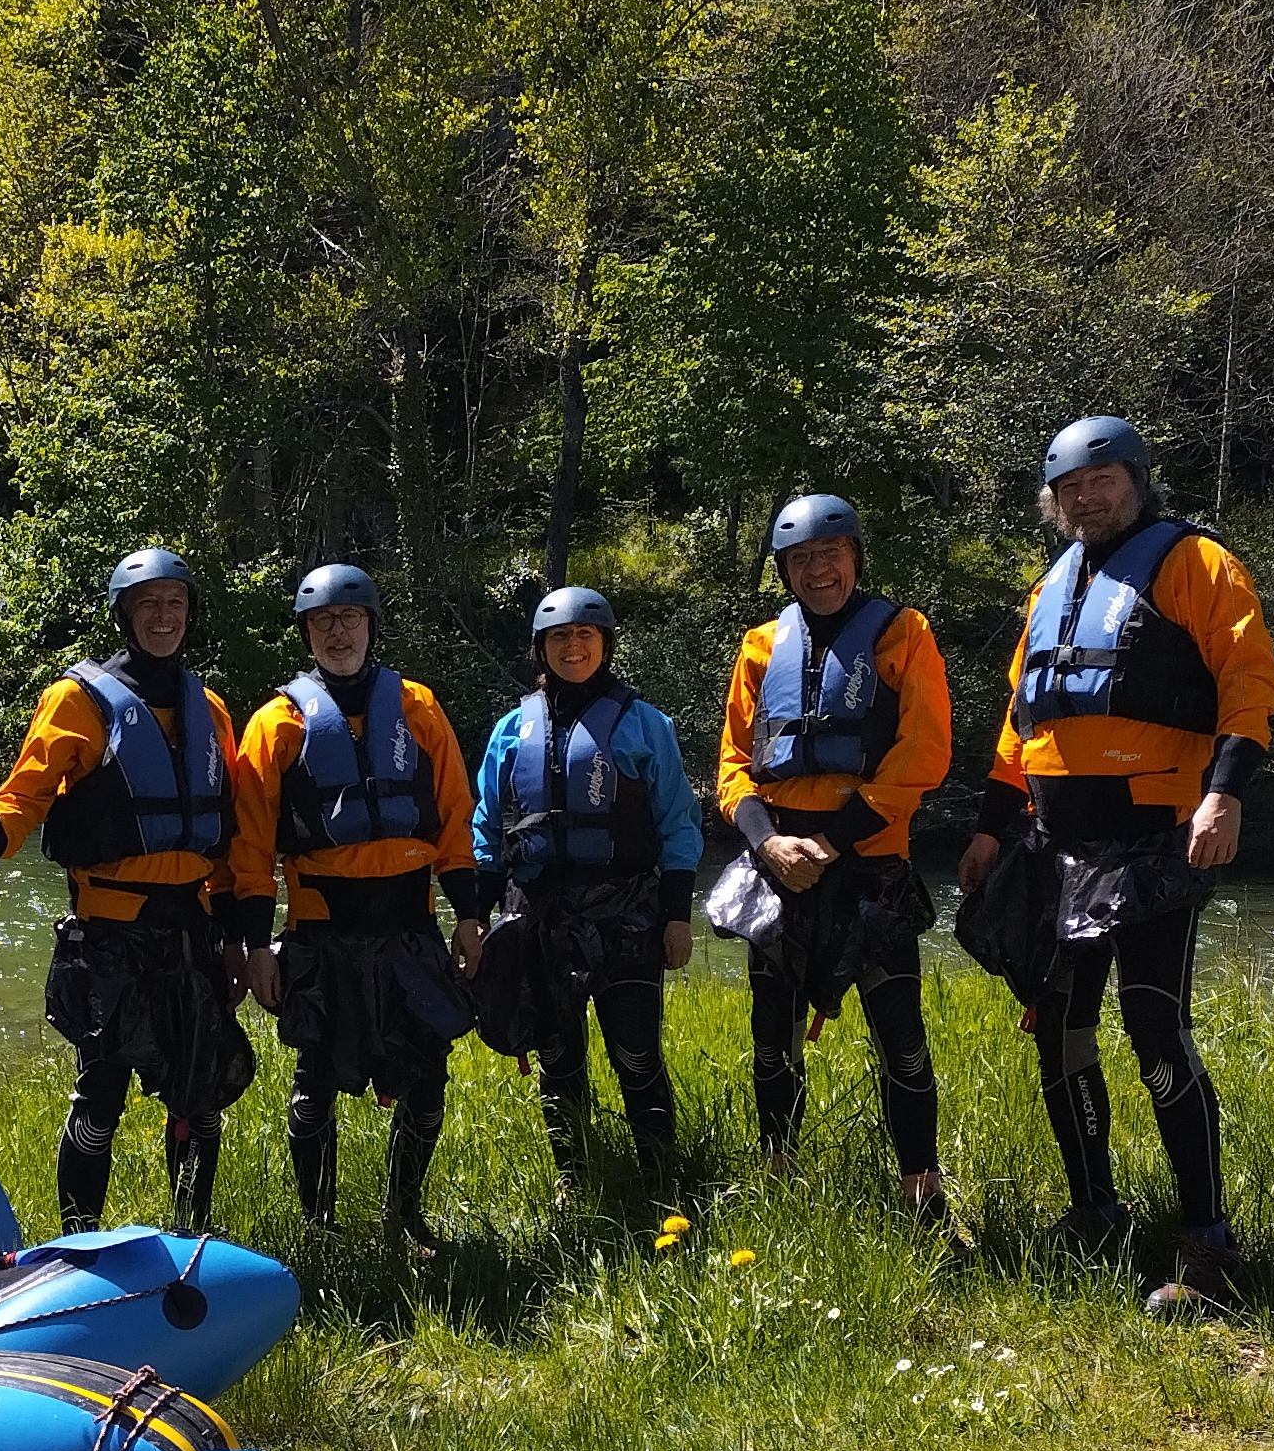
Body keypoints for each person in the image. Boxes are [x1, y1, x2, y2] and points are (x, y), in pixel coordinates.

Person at [955, 415, 1274, 1318]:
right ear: (1053, 503)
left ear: (1137, 480)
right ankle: (1094, 1208)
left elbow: (1249, 679)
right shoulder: (1053, 585)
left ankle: (1208, 1245)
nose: (1087, 497)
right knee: (1059, 1034)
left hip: (1154, 839)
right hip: (1057, 845)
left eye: (1103, 480)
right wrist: (991, 825)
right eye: (1070, 488)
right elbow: (1023, 717)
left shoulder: (1193, 563)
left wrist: (1224, 792)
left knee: (1155, 1030)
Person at [0, 547, 252, 1234]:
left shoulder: (214, 711)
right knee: (100, 1098)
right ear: (125, 616)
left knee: (199, 1100)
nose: (164, 618)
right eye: (149, 606)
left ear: (190, 615)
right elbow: (25, 794)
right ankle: (80, 1243)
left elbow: (225, 840)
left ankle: (190, 1234)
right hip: (109, 936)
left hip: (192, 933)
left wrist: (233, 940)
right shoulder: (77, 701)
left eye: (175, 604)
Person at [713, 494, 954, 1215]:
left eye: (831, 554)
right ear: (785, 571)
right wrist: (769, 841)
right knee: (770, 1039)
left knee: (901, 1039)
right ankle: (780, 1182)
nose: (819, 570)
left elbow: (922, 754)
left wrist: (831, 839)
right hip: (780, 866)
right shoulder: (760, 646)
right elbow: (731, 765)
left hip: (870, 863)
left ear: (855, 558)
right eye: (801, 560)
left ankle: (923, 1192)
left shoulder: (905, 634)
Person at [230, 563, 480, 1252]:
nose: (338, 633)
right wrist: (255, 945)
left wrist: (468, 914)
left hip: (409, 927)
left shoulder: (421, 709)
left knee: (428, 1073)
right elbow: (250, 848)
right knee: (316, 1083)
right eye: (323, 622)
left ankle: (405, 1216)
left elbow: (456, 820)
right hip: (320, 932)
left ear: (372, 624)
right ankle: (320, 1227)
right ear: (307, 633)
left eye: (350, 619)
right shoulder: (275, 723)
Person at [468, 585, 700, 1205]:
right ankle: (574, 1175)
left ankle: (660, 1178)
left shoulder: (646, 725)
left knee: (636, 1051)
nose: (574, 647)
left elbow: (679, 824)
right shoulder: (512, 731)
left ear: (605, 644)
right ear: (541, 649)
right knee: (558, 1055)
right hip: (541, 915)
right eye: (560, 637)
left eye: (586, 636)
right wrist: (476, 919)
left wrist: (677, 917)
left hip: (627, 911)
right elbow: (488, 831)